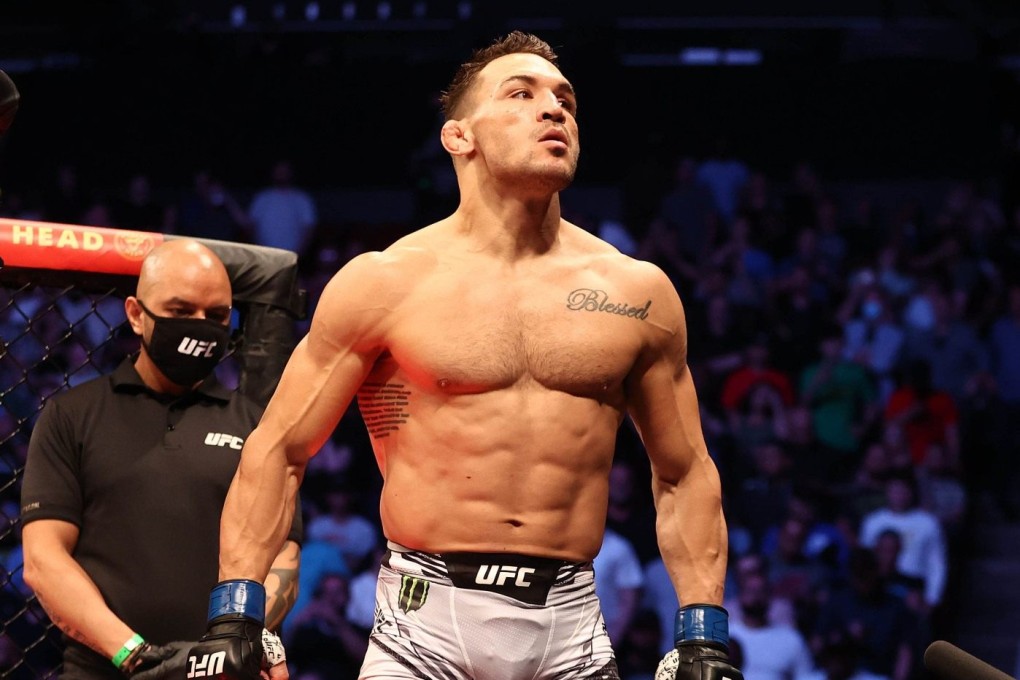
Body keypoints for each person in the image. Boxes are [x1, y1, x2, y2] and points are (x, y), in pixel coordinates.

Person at [189, 31, 741, 680]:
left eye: (565, 98)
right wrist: (236, 613)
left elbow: (684, 472)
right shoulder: (385, 283)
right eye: (521, 94)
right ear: (460, 137)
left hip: (571, 625)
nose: (554, 109)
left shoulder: (637, 292)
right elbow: (279, 450)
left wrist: (702, 635)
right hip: (422, 619)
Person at [20, 239, 302, 679]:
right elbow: (43, 560)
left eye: (216, 316)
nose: (200, 327)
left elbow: (283, 553)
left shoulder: (257, 427)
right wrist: (137, 657)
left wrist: (239, 641)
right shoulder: (72, 416)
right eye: (180, 310)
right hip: (103, 669)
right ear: (136, 314)